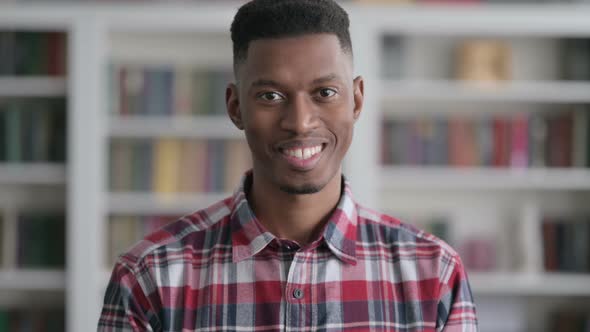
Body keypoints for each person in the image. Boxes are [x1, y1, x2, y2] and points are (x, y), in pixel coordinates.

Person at [98, 0, 478, 331]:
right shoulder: (149, 276)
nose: (299, 121)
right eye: (270, 95)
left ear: (357, 101)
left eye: (325, 93)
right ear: (235, 107)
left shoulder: (435, 275)